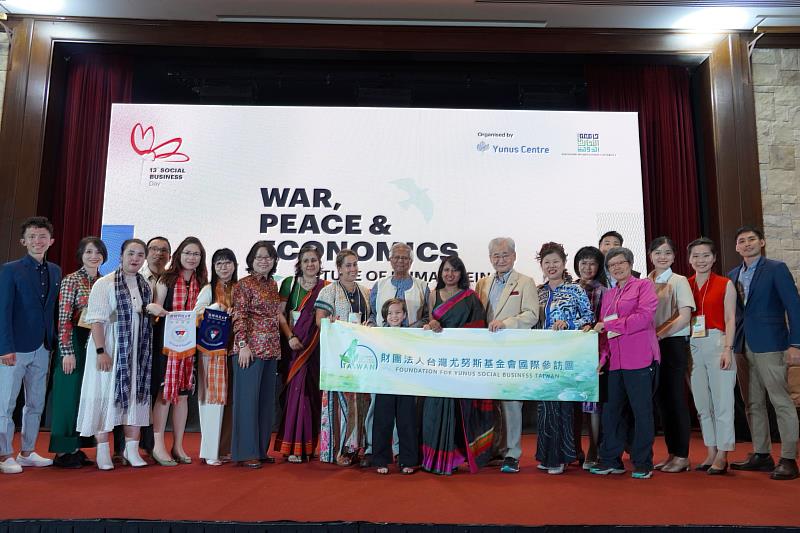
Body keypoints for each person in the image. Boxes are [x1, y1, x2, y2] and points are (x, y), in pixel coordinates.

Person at [728, 226, 800, 481]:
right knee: (752, 403)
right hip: (742, 345)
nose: (746, 244)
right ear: (736, 247)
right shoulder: (733, 274)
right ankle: (761, 454)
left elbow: (794, 306)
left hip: (771, 344)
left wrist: (796, 344)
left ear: (762, 242)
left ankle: (789, 459)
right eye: (741, 241)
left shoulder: (776, 269)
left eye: (751, 240)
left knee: (780, 401)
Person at [75, 238, 153, 470]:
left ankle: (131, 449)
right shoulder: (105, 283)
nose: (135, 258)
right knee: (103, 395)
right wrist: (101, 351)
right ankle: (102, 451)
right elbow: (96, 320)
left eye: (140, 255)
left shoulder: (144, 285)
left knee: (134, 400)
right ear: (121, 255)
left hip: (136, 352)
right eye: (131, 253)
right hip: (109, 347)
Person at [590, 247, 659, 479]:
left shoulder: (644, 286)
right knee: (611, 412)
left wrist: (610, 326)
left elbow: (644, 318)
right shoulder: (608, 295)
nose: (617, 268)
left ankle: (642, 462)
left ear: (630, 264)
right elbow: (603, 333)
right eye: (612, 265)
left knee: (641, 412)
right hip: (615, 362)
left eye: (621, 263)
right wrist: (602, 360)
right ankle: (611, 459)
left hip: (640, 358)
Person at [0, 217, 61, 474]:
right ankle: (4, 455)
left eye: (43, 236)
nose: (38, 241)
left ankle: (27, 451)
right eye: (33, 237)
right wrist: (4, 347)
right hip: (14, 348)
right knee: (6, 404)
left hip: (43, 346)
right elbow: (3, 310)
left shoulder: (56, 270)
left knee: (35, 403)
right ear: (24, 241)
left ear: (51, 241)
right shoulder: (10, 269)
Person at [421, 255, 493, 475]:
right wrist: (430, 322)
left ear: (462, 274)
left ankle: (457, 458)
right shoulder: (433, 295)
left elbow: (479, 326)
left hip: (462, 363)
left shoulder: (470, 298)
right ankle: (435, 461)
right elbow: (425, 320)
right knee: (435, 410)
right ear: (440, 273)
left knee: (461, 411)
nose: (449, 274)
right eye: (446, 270)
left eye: (454, 270)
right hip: (437, 363)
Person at [363, 242, 431, 466]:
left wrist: (410, 331)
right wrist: (373, 326)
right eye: (397, 257)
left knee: (406, 409)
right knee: (379, 407)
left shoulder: (422, 286)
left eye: (405, 258)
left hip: (410, 354)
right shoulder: (379, 285)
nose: (401, 261)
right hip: (383, 355)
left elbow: (427, 317)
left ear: (411, 262)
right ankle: (375, 451)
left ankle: (404, 453)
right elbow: (372, 314)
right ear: (390, 260)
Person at [474, 237, 538, 473]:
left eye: (505, 255)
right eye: (495, 256)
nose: (500, 260)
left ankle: (512, 453)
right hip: (485, 352)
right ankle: (493, 449)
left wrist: (506, 324)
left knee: (511, 403)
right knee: (490, 403)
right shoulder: (481, 283)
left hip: (511, 351)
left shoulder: (526, 282)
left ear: (514, 256)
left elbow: (532, 315)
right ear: (490, 258)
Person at [146, 236, 209, 466]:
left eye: (196, 254)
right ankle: (158, 444)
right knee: (164, 394)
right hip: (167, 345)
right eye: (188, 253)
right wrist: (162, 312)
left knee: (182, 396)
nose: (192, 258)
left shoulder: (202, 283)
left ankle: (178, 444)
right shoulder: (166, 279)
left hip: (190, 347)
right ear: (179, 255)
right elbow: (154, 308)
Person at [535, 242, 593, 475]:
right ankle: (546, 455)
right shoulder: (538, 291)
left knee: (563, 405)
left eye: (555, 262)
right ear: (541, 265)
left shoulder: (575, 290)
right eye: (546, 262)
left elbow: (588, 318)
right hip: (542, 355)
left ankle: (562, 456)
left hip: (568, 354)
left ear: (563, 264)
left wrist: (568, 324)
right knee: (544, 405)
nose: (551, 266)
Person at [49, 237, 107, 468]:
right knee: (68, 395)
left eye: (98, 252)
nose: (94, 256)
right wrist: (66, 352)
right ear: (81, 255)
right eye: (89, 252)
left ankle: (78, 446)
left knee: (87, 395)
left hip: (95, 342)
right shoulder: (71, 280)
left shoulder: (105, 282)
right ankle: (63, 451)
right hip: (73, 340)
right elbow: (63, 319)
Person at [315, 249, 372, 466]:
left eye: (355, 265)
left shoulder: (366, 292)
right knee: (339, 403)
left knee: (360, 402)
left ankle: (357, 448)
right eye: (348, 265)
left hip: (362, 356)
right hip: (338, 355)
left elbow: (372, 319)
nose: (352, 269)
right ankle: (338, 450)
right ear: (339, 268)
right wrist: (338, 325)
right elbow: (319, 322)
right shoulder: (328, 292)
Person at [230, 241, 284, 468]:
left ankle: (261, 450)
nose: (264, 261)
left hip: (270, 349)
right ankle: (245, 452)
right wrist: (242, 344)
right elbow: (240, 315)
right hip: (249, 350)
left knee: (264, 403)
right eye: (260, 257)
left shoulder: (273, 285)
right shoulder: (243, 285)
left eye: (269, 257)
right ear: (251, 260)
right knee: (247, 402)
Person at [687, 237, 737, 475]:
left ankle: (723, 453)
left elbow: (730, 319)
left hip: (718, 342)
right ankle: (710, 449)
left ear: (714, 258)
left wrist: (728, 348)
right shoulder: (685, 284)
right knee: (702, 404)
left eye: (706, 255)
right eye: (696, 256)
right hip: (693, 345)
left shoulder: (725, 283)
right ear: (689, 260)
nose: (701, 260)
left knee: (722, 402)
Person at [275, 243, 329, 463]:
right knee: (295, 394)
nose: (310, 264)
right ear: (299, 264)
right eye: (306, 261)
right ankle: (292, 446)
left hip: (315, 346)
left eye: (314, 261)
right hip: (293, 345)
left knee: (311, 395)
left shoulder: (326, 287)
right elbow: (280, 314)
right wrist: (290, 337)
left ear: (319, 264)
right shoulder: (289, 284)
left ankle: (308, 446)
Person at [647, 236, 695, 473]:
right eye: (657, 252)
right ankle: (672, 453)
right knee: (662, 401)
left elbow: (684, 317)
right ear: (650, 256)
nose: (662, 257)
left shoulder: (679, 280)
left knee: (676, 398)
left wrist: (660, 334)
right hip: (651, 346)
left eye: (667, 252)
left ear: (674, 256)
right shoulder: (646, 281)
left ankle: (683, 455)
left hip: (672, 344)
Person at [193, 248, 238, 466]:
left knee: (230, 402)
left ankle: (225, 448)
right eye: (219, 263)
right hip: (211, 353)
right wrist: (215, 309)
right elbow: (196, 316)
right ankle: (210, 450)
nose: (224, 267)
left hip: (235, 351)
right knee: (212, 400)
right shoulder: (208, 289)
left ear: (235, 265)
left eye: (228, 263)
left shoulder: (241, 289)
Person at [373, 298, 419, 475]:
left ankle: (407, 460)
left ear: (405, 315)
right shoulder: (376, 334)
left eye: (398, 312)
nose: (394, 316)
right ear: (385, 316)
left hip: (406, 385)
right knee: (382, 423)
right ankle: (381, 460)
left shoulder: (412, 335)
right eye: (390, 313)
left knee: (407, 422)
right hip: (384, 385)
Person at [573, 245, 607, 470]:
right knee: (573, 403)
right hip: (570, 353)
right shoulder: (569, 288)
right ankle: (574, 449)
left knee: (592, 404)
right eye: (583, 262)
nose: (587, 267)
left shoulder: (604, 291)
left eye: (592, 263)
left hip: (594, 352)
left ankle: (594, 449)